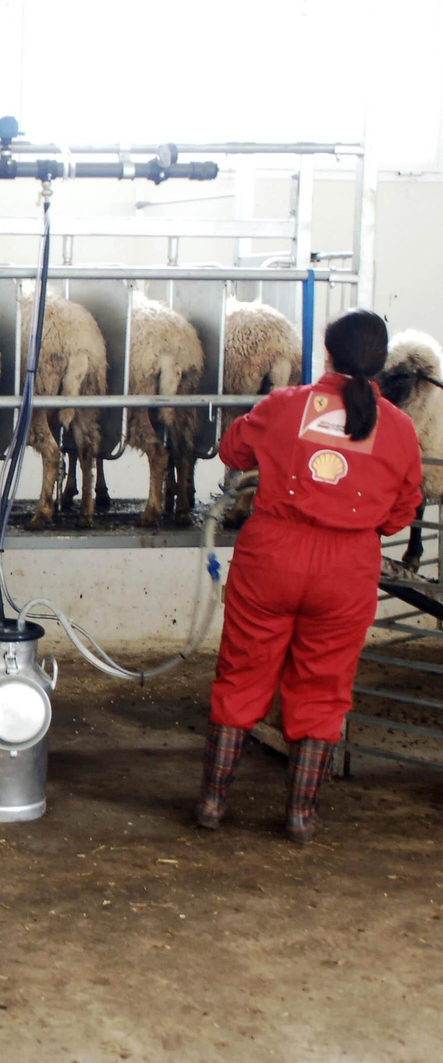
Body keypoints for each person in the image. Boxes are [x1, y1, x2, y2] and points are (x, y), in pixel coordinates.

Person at [198, 309, 422, 843]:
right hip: (347, 569)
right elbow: (401, 512)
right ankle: (300, 816)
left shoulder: (286, 405)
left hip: (272, 557)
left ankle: (212, 803)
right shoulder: (399, 428)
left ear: (327, 353)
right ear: (381, 363)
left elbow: (232, 449)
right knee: (323, 687)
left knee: (242, 674)